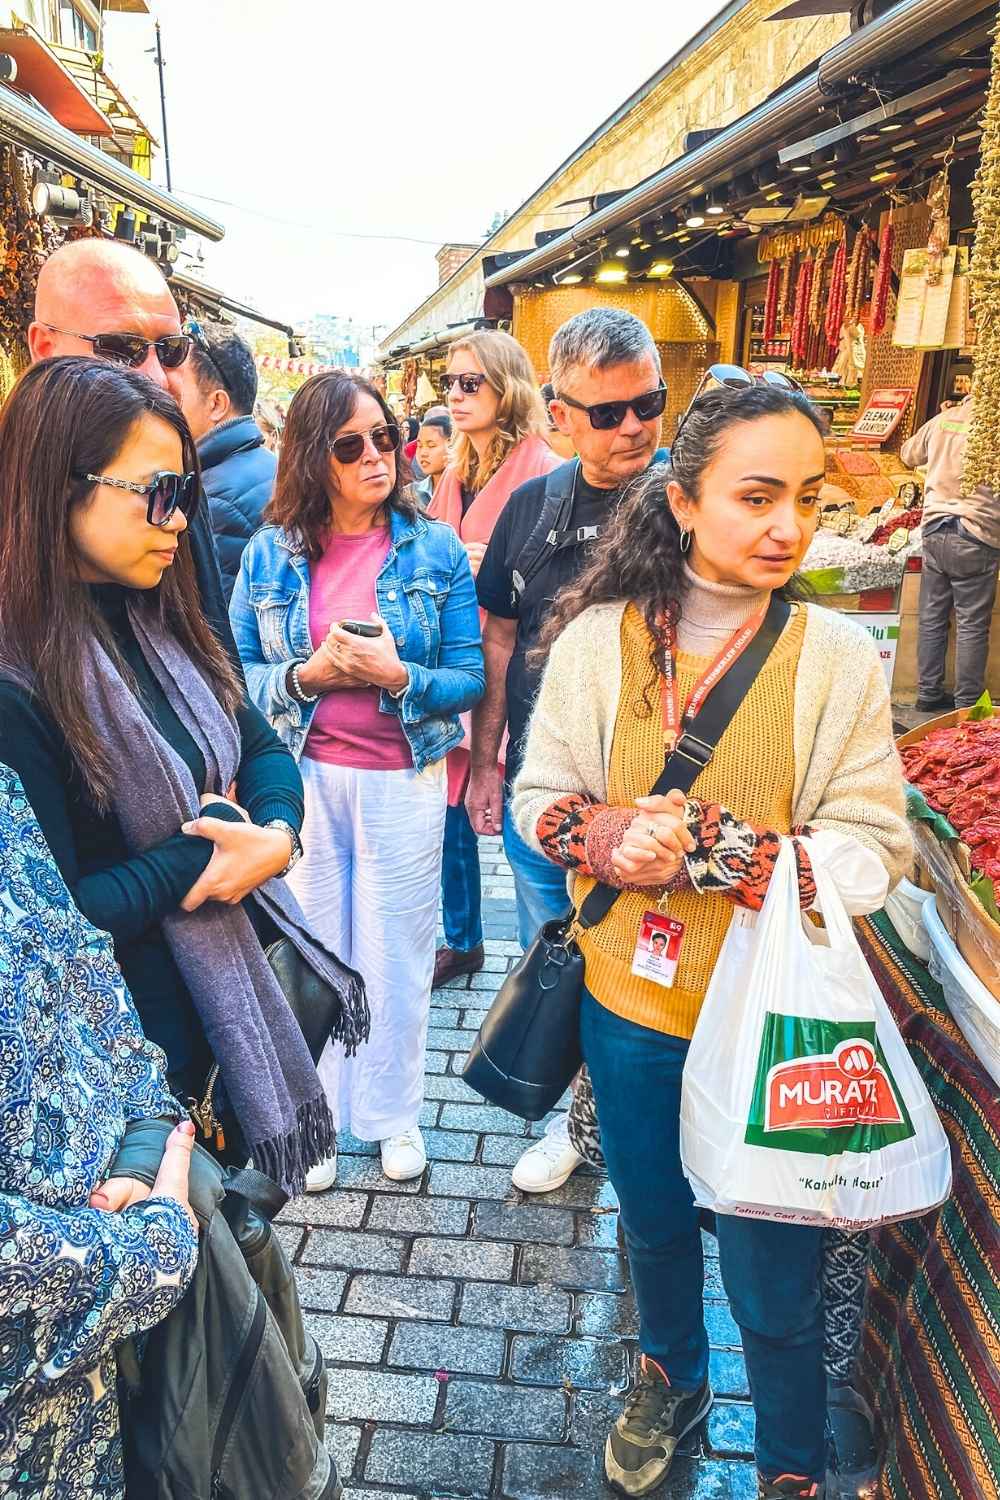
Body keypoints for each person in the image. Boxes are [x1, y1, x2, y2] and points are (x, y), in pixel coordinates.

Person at [512, 381, 910, 1500]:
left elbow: (875, 849)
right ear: (683, 503)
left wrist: (726, 854)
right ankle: (669, 1381)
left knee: (773, 1261)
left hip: (772, 1019)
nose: (788, 525)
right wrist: (590, 831)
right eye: (755, 496)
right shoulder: (600, 640)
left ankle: (786, 1458)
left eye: (806, 497)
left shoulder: (833, 656)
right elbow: (535, 792)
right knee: (651, 1220)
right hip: (630, 1005)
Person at [0, 358, 366, 1197]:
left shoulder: (159, 617)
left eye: (188, 495)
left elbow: (263, 744)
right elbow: (56, 923)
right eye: (160, 493)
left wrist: (273, 837)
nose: (181, 523)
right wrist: (199, 853)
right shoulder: (18, 686)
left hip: (217, 1023)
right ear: (59, 486)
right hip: (120, 1076)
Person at [231, 371, 484, 1190]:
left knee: (397, 953)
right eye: (351, 445)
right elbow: (238, 672)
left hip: (402, 778)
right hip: (304, 776)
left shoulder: (432, 544)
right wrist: (307, 675)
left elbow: (469, 674)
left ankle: (394, 1114)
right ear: (314, 457)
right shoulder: (271, 550)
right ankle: (324, 1120)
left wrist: (397, 673)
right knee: (319, 954)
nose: (378, 456)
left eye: (387, 435)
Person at [471, 307, 669, 1192]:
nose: (632, 427)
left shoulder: (690, 505)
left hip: (655, 810)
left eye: (648, 404)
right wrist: (484, 761)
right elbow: (500, 643)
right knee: (556, 954)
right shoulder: (529, 509)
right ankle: (567, 1120)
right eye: (607, 412)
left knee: (639, 984)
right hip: (542, 798)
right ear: (557, 412)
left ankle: (618, 1134)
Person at [0, 761, 198, 1500]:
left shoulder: (3, 793)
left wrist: (147, 1141)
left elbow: (76, 956)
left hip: (82, 1416)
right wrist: (150, 1252)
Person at [27, 238, 239, 666]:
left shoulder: (176, 499)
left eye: (171, 350)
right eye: (123, 350)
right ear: (45, 349)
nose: (158, 376)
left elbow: (224, 673)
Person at [429, 330, 557, 988]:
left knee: (515, 809)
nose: (454, 394)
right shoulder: (455, 471)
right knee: (454, 797)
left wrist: (493, 567)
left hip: (516, 666)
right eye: (448, 382)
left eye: (470, 383)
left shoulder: (542, 468)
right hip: (460, 660)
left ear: (507, 389)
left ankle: (546, 962)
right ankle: (462, 934)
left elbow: (561, 582)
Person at [900, 396, 1000, 710]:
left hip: (934, 529)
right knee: (971, 624)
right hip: (976, 533)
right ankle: (968, 703)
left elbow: (908, 454)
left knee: (932, 619)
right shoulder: (993, 427)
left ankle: (928, 695)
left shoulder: (944, 419)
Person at [170, 318, 278, 603]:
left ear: (217, 404)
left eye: (176, 394)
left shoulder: (212, 499)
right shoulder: (271, 465)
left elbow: (219, 625)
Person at [414, 407, 452, 505]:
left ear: (452, 445)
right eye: (419, 446)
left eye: (431, 446)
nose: (423, 453)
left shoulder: (470, 493)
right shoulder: (411, 494)